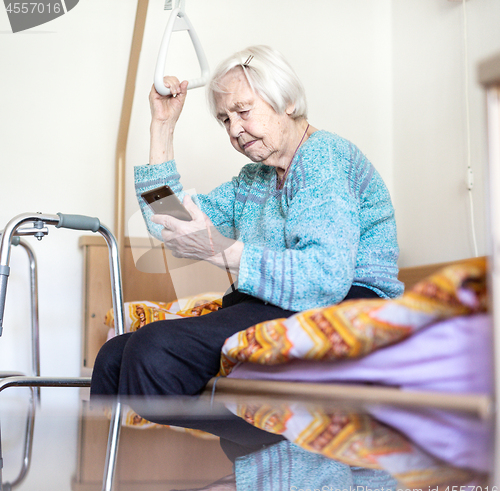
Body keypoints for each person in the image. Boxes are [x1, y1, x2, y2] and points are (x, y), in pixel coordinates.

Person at [90, 45, 403, 459]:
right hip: (280, 303)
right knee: (114, 357)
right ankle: (262, 439)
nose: (234, 129)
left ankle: (277, 436)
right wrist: (162, 126)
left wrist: (223, 251)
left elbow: (326, 278)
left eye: (243, 111)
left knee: (155, 353)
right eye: (224, 119)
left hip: (348, 306)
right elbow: (168, 219)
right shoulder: (253, 179)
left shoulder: (325, 156)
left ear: (288, 102)